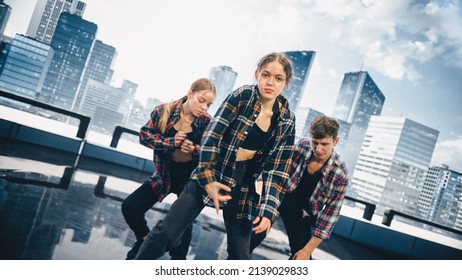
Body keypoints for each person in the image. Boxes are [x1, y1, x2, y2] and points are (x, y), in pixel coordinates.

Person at [135, 52, 296, 260]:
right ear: (257, 74)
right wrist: (208, 180)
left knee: (240, 256)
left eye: (278, 78)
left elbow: (278, 169)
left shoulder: (287, 120)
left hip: (243, 185)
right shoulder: (243, 96)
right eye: (266, 75)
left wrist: (268, 211)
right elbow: (212, 136)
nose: (270, 82)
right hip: (213, 169)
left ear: (286, 82)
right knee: (166, 233)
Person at [121, 78, 216, 260]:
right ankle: (144, 239)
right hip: (165, 175)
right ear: (190, 93)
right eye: (201, 100)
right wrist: (170, 142)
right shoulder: (164, 110)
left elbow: (212, 151)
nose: (204, 107)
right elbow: (144, 136)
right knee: (130, 207)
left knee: (182, 224)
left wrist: (195, 149)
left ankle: (178, 263)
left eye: (209, 104)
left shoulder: (206, 122)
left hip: (189, 180)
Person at [250, 115, 349, 260]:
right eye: (315, 142)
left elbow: (329, 218)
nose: (318, 149)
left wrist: (307, 251)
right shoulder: (301, 146)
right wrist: (261, 198)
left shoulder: (340, 175)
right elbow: (273, 169)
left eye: (325, 144)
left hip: (301, 211)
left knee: (302, 258)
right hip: (279, 195)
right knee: (251, 235)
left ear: (335, 141)